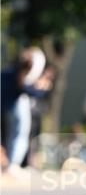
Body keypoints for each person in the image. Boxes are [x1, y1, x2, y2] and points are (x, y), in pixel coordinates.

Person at [1, 48, 51, 176]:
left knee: (9, 136)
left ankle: (10, 163)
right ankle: (13, 164)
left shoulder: (8, 72)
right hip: (8, 107)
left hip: (5, 106)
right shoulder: (18, 74)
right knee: (19, 133)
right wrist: (42, 90)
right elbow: (25, 89)